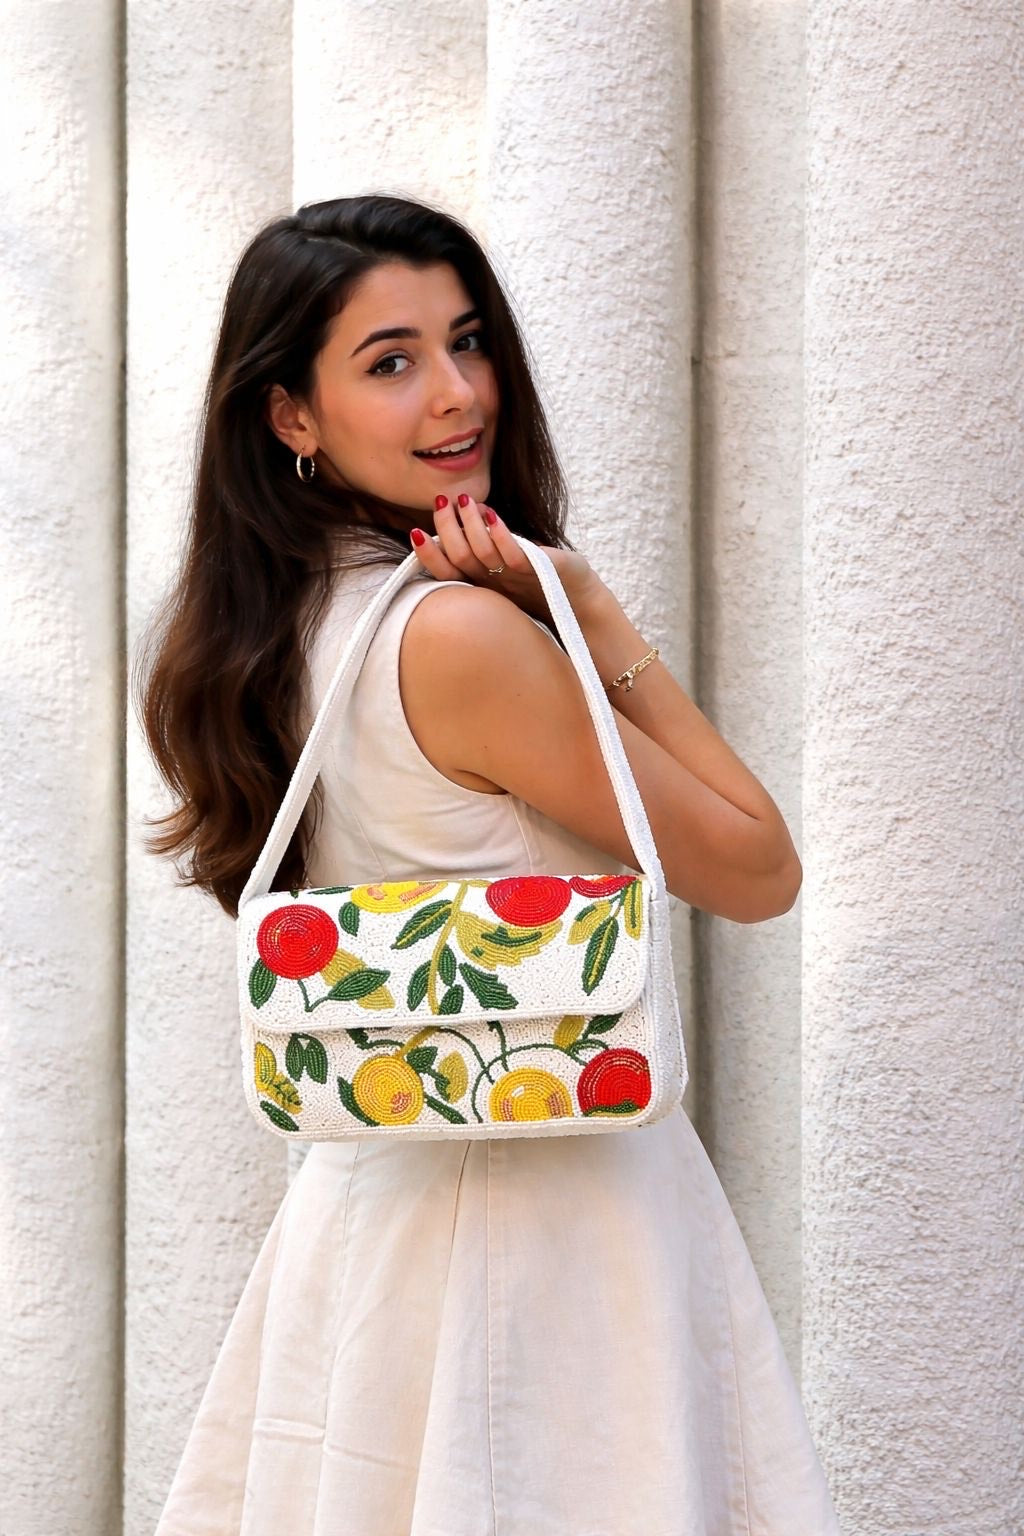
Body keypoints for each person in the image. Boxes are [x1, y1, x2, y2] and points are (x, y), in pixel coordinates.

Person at [135, 194, 841, 1535]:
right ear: (290, 414)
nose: (458, 393)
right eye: (390, 361)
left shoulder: (272, 633)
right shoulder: (459, 639)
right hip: (554, 1215)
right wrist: (591, 612)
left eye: (467, 341)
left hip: (373, 1210)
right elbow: (758, 867)